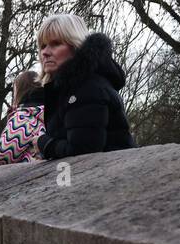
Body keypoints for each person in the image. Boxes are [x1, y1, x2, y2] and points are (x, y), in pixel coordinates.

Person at [33, 13, 135, 160]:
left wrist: (44, 143)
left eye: (55, 44)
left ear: (75, 46)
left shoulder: (88, 88)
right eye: (43, 46)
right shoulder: (70, 88)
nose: (45, 52)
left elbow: (83, 151)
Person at [0, 70, 46, 164]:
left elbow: (2, 158)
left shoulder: (23, 117)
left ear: (20, 91)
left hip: (33, 175)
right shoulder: (48, 111)